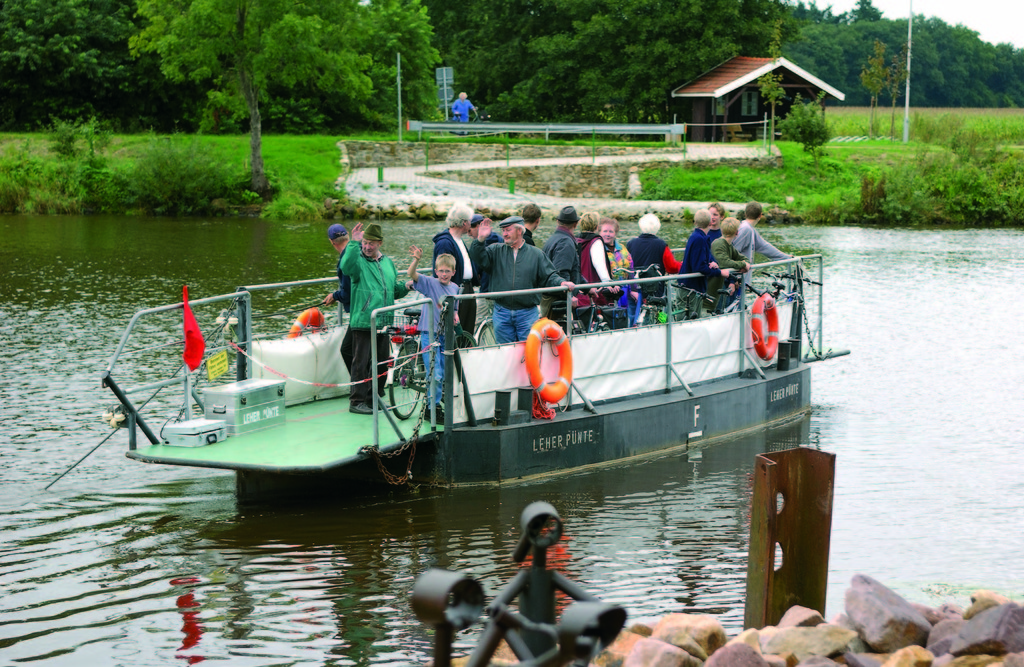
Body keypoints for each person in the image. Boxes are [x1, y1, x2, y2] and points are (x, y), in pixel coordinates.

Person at [469, 216, 574, 344]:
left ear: (519, 231)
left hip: (527, 313)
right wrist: (480, 239)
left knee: (529, 350)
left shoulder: (536, 254)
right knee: (506, 351)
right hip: (502, 312)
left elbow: (549, 275)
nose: (504, 234)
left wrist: (562, 282)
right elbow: (477, 257)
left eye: (508, 230)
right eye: (503, 230)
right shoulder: (495, 251)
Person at [339, 222, 409, 415]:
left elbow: (393, 290)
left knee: (381, 362)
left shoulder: (388, 263)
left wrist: (407, 286)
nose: (367, 247)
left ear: (380, 243)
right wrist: (354, 243)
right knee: (360, 363)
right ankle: (357, 401)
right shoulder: (358, 262)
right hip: (364, 320)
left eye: (371, 243)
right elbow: (346, 266)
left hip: (384, 321)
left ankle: (374, 398)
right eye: (365, 242)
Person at [405, 246, 458, 421]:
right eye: (441, 271)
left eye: (447, 271)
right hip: (430, 334)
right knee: (435, 373)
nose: (444, 274)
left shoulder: (455, 288)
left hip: (445, 335)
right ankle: (431, 408)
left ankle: (436, 401)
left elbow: (454, 307)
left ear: (453, 272)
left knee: (443, 373)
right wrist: (416, 260)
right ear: (436, 271)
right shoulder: (430, 283)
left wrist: (455, 315)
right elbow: (412, 274)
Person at [432, 203, 478, 336]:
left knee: (466, 332)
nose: (471, 224)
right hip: (455, 292)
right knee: (455, 333)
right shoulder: (445, 243)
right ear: (464, 223)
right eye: (470, 221)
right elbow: (443, 273)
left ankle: (465, 349)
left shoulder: (458, 240)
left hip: (466, 289)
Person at [679, 209, 731, 315]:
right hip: (691, 288)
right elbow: (699, 267)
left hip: (690, 286)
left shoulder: (698, 236)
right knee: (689, 318)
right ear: (710, 222)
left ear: (695, 222)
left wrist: (712, 262)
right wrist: (720, 272)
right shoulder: (700, 239)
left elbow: (701, 258)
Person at [734, 201, 791, 295]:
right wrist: (733, 279)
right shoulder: (745, 229)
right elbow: (733, 252)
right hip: (736, 281)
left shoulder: (750, 230)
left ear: (745, 214)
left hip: (742, 281)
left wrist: (786, 257)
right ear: (760, 215)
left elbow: (765, 247)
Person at [541, 206, 584, 319]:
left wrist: (588, 287)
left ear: (558, 221)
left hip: (549, 297)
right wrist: (569, 297)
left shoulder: (553, 239)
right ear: (575, 224)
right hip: (556, 301)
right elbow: (561, 273)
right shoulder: (565, 242)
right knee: (557, 330)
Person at [321, 223, 353, 373]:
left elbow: (348, 294)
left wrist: (334, 295)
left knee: (347, 350)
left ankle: (361, 383)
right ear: (347, 235)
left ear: (331, 241)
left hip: (360, 313)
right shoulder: (358, 251)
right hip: (372, 308)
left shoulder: (345, 260)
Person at [625, 213, 681, 297]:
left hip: (634, 288)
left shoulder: (630, 243)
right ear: (657, 227)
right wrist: (684, 264)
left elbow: (626, 264)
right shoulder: (661, 244)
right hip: (655, 289)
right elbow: (671, 267)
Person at [708, 217, 751, 309]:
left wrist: (744, 263)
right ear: (737, 232)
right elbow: (724, 263)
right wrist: (743, 265)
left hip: (726, 282)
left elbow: (744, 258)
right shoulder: (719, 243)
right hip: (718, 285)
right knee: (720, 309)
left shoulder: (729, 245)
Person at [577, 211, 617, 307]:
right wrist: (608, 283)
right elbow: (599, 264)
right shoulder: (596, 241)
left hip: (580, 285)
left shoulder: (576, 240)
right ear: (596, 226)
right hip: (593, 287)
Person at [468, 213, 502, 322]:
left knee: (477, 322)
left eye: (469, 230)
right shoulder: (499, 239)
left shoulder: (485, 243)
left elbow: (478, 266)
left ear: (479, 226)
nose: (468, 234)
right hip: (496, 290)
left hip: (488, 291)